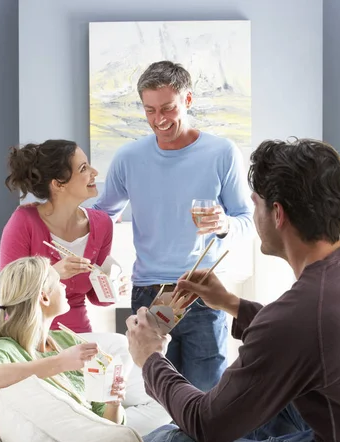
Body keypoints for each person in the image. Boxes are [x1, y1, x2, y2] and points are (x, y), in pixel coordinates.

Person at [126, 138, 340, 442]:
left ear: (278, 213)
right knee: (242, 409)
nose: (252, 214)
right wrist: (231, 303)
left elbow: (206, 424)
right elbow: (311, 340)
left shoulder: (301, 314)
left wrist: (151, 358)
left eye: (254, 204)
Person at [93, 61, 254, 391]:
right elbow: (101, 217)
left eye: (168, 108)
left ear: (188, 100)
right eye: (149, 110)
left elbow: (246, 221)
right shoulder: (128, 157)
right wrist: (103, 265)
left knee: (205, 397)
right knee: (151, 398)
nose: (159, 120)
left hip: (202, 292)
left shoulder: (222, 152)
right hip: (147, 293)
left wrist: (224, 223)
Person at [0, 256, 125, 424]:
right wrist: (61, 362)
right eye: (58, 282)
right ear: (44, 297)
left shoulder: (68, 340)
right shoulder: (6, 348)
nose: (64, 286)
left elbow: (109, 424)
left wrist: (113, 403)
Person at [0, 139, 123, 333]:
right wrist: (53, 273)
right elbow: (8, 293)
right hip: (29, 336)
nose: (94, 172)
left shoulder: (102, 224)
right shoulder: (23, 222)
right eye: (83, 168)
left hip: (79, 337)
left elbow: (95, 297)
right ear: (58, 184)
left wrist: (110, 287)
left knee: (119, 349)